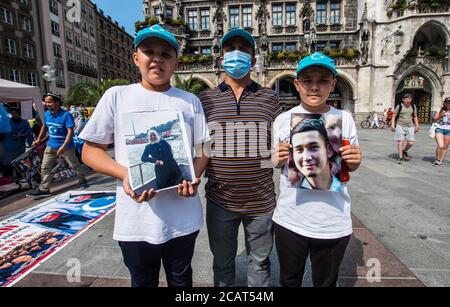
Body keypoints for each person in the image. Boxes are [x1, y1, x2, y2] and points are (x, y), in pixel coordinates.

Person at [79, 24, 210, 288]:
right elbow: (90, 151)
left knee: (182, 280)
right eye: (149, 51)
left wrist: (193, 176)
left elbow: (203, 148)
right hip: (136, 217)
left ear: (175, 62)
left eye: (166, 54)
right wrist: (126, 175)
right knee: (142, 281)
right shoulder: (117, 96)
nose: (157, 58)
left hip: (182, 216)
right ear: (136, 57)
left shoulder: (189, 100)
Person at [199, 28, 281, 287]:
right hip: (219, 199)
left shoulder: (270, 97)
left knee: (260, 262)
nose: (237, 54)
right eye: (230, 48)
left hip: (261, 200)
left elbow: (283, 140)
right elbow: (200, 146)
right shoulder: (205, 99)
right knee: (222, 262)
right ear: (221, 58)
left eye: (244, 49)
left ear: (253, 60)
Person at [272, 52, 362, 287]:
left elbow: (351, 164)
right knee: (289, 280)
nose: (314, 87)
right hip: (291, 218)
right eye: (307, 81)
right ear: (296, 84)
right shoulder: (282, 120)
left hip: (332, 220)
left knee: (326, 283)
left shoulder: (344, 118)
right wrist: (277, 158)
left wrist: (354, 159)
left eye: (323, 80)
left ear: (333, 83)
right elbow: (276, 161)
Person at [26, 92, 88, 199]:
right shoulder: (47, 114)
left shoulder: (66, 115)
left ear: (57, 102)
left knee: (74, 165)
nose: (47, 104)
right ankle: (44, 189)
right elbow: (45, 127)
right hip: (51, 146)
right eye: (46, 102)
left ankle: (82, 179)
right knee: (45, 167)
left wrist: (64, 146)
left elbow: (70, 132)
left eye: (49, 102)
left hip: (66, 147)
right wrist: (39, 139)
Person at [291, 117, 340, 191]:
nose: (306, 157)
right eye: (299, 150)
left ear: (329, 150)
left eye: (313, 147)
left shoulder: (340, 188)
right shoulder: (292, 192)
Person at [0, 108, 33, 179]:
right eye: (12, 113)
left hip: (19, 147)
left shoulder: (24, 122)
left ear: (19, 114)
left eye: (15, 113)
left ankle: (21, 180)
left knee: (19, 163)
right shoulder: (6, 121)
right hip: (6, 146)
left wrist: (21, 135)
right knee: (6, 164)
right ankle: (7, 181)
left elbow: (29, 132)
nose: (14, 115)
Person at [391, 93, 419, 164]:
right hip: (400, 125)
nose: (408, 100)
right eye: (407, 99)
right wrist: (392, 125)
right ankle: (400, 157)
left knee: (411, 142)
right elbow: (394, 116)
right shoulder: (399, 106)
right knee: (400, 141)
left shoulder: (413, 106)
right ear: (403, 100)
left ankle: (404, 151)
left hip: (410, 126)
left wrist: (417, 125)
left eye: (410, 99)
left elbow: (415, 116)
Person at [432, 97, 450, 167]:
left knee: (445, 146)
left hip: (449, 130)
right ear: (444, 103)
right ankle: (437, 160)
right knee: (440, 145)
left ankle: (441, 160)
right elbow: (435, 119)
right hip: (439, 128)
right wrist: (441, 115)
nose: (449, 104)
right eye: (447, 103)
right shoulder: (440, 110)